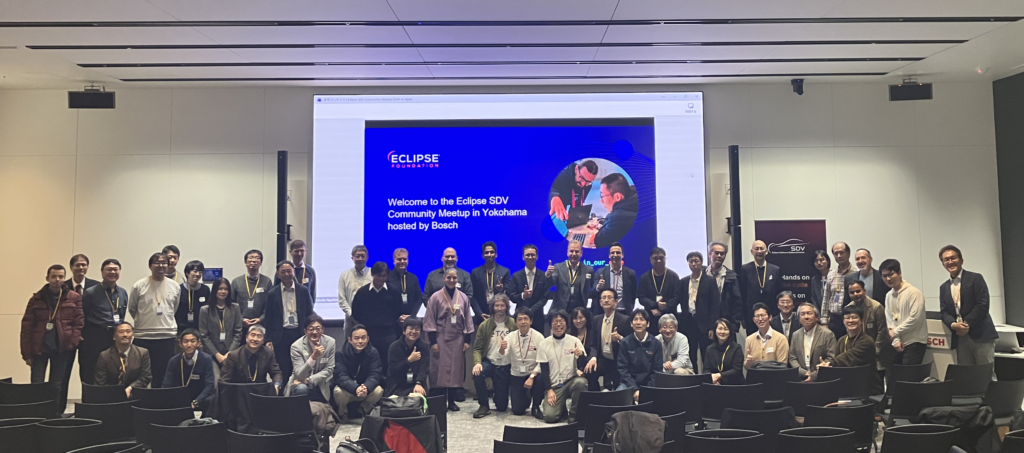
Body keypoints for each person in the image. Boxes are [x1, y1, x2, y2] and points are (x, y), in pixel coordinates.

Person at [21, 264, 83, 413]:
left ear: (64, 278)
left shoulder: (73, 297)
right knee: (37, 384)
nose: (57, 280)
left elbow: (79, 323)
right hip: (39, 348)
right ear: (47, 278)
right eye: (54, 276)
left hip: (62, 348)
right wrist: (26, 353)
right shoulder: (37, 298)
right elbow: (27, 327)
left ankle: (53, 415)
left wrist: (72, 343)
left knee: (56, 385)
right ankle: (36, 414)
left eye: (61, 276)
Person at [938, 245, 997, 373]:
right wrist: (954, 325)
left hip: (981, 335)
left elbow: (983, 305)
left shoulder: (976, 279)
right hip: (960, 338)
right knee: (966, 376)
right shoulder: (943, 287)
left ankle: (990, 394)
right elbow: (944, 312)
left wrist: (966, 324)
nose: (950, 262)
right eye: (946, 260)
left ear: (961, 260)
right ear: (943, 264)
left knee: (985, 374)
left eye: (953, 258)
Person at [424, 268, 475, 411]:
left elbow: (468, 319)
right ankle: (440, 401)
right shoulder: (435, 297)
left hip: (458, 338)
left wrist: (467, 340)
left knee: (455, 370)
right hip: (440, 337)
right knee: (440, 370)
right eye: (449, 278)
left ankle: (452, 401)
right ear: (444, 279)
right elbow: (429, 319)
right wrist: (433, 341)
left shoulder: (463, 297)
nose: (452, 280)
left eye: (454, 278)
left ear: (457, 279)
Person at [127, 252, 181, 388]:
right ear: (150, 266)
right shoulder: (139, 285)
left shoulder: (175, 286)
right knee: (141, 373)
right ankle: (140, 404)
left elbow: (174, 308)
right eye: (157, 262)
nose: (161, 265)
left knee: (163, 373)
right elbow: (132, 308)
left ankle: (159, 404)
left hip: (166, 337)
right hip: (143, 337)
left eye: (164, 263)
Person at [79, 258, 128, 385]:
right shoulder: (91, 292)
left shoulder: (122, 292)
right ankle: (90, 402)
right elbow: (83, 315)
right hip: (95, 337)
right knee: (91, 371)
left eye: (115, 269)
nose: (112, 272)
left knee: (113, 371)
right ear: (102, 272)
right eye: (109, 269)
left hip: (114, 338)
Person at [265, 260, 316, 382]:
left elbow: (309, 312)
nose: (287, 274)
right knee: (283, 367)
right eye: (283, 272)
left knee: (301, 365)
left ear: (294, 272)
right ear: (278, 274)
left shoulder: (303, 290)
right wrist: (268, 339)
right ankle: (282, 396)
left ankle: (298, 394)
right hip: (280, 336)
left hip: (299, 334)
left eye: (289, 271)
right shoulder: (272, 293)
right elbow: (268, 317)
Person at [352, 261, 403, 377]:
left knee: (388, 364)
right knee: (369, 364)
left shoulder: (394, 291)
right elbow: (355, 314)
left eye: (385, 276)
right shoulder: (362, 292)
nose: (382, 279)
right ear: (372, 274)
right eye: (379, 275)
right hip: (370, 335)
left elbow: (398, 311)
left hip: (388, 335)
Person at [818, 305, 883, 394]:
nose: (851, 321)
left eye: (854, 317)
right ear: (843, 321)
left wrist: (830, 363)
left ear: (861, 321)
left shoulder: (867, 341)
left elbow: (849, 356)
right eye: (847, 318)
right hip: (847, 386)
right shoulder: (841, 340)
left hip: (867, 388)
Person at [538, 309, 588, 423]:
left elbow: (583, 365)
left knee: (581, 382)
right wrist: (549, 390)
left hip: (571, 381)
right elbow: (544, 370)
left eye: (561, 321)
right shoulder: (544, 344)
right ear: (550, 324)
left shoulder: (574, 341)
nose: (558, 324)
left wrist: (580, 356)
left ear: (566, 323)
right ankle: (562, 410)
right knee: (550, 417)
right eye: (555, 322)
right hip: (555, 385)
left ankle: (574, 414)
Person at [472, 294, 516, 418]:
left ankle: (498, 394)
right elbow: (477, 348)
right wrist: (477, 363)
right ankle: (484, 405)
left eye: (502, 305)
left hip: (506, 365)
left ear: (506, 307)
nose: (499, 308)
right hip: (490, 362)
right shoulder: (484, 325)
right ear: (492, 307)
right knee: (478, 373)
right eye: (497, 305)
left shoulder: (513, 324)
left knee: (502, 407)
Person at [63, 253, 97, 407]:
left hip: (89, 338)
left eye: (84, 265)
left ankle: (87, 407)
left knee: (88, 375)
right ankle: (59, 408)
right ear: (71, 267)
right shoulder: (62, 286)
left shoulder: (96, 286)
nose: (81, 268)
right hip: (67, 337)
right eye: (78, 265)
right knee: (63, 374)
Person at [881, 259, 927, 366]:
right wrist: (895, 339)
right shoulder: (888, 295)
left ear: (899, 273)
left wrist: (896, 331)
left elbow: (916, 318)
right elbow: (889, 319)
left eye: (891, 274)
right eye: (884, 276)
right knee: (894, 378)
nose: (888, 278)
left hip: (914, 342)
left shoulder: (914, 293)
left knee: (909, 378)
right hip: (897, 342)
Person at [680, 251, 722, 367]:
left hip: (704, 324)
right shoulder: (683, 282)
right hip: (689, 322)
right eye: (691, 261)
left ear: (702, 262)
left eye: (696, 261)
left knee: (706, 353)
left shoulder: (710, 281)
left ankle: (707, 380)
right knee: (690, 353)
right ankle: (693, 379)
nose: (694, 264)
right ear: (688, 263)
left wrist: (712, 327)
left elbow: (715, 305)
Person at [846, 280, 892, 383]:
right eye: (852, 292)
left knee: (876, 387)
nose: (855, 294)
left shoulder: (876, 307)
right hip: (858, 356)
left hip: (877, 356)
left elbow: (882, 332)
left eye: (858, 291)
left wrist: (874, 352)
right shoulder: (848, 309)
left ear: (864, 291)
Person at [333, 324, 383, 420]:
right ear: (350, 340)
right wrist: (355, 388)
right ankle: (342, 413)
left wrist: (366, 387)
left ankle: (364, 409)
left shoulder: (373, 352)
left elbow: (375, 374)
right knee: (338, 392)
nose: (360, 341)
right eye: (356, 338)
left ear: (368, 339)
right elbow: (340, 376)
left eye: (363, 338)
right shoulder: (341, 353)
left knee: (378, 391)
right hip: (348, 389)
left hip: (365, 389)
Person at [583, 290, 629, 391]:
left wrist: (620, 338)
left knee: (618, 388)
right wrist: (593, 358)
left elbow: (630, 344)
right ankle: (596, 399)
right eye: (603, 298)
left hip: (618, 361)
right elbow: (593, 344)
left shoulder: (624, 320)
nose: (606, 300)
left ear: (616, 302)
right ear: (600, 302)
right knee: (589, 370)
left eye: (609, 297)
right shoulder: (596, 319)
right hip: (603, 359)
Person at [219, 325, 283, 394]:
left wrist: (277, 385)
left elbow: (276, 372)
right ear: (246, 338)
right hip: (239, 393)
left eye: (259, 336)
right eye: (253, 335)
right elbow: (224, 381)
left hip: (260, 392)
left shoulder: (268, 353)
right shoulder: (234, 355)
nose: (255, 339)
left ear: (263, 341)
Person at [162, 328, 215, 410]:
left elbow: (209, 385)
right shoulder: (174, 361)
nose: (189, 345)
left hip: (199, 399)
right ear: (180, 343)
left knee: (211, 399)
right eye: (185, 341)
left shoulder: (206, 359)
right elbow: (166, 385)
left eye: (193, 341)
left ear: (198, 343)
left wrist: (197, 401)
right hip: (178, 400)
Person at [199, 278, 243, 374]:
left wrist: (229, 354)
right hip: (211, 354)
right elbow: (204, 335)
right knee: (215, 381)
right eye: (220, 289)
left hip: (231, 353)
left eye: (226, 289)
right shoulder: (205, 310)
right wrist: (217, 355)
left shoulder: (235, 308)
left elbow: (238, 333)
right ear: (215, 290)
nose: (223, 292)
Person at [94, 322, 152, 397]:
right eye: (121, 332)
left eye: (128, 331)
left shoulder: (143, 353)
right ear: (114, 336)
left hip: (136, 395)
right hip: (110, 396)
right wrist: (117, 394)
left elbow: (146, 377)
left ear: (132, 335)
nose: (125, 335)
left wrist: (130, 389)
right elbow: (100, 382)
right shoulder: (104, 356)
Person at [616, 309, 662, 401]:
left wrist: (646, 390)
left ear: (648, 324)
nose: (638, 322)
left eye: (642, 319)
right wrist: (635, 389)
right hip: (628, 384)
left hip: (649, 384)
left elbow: (657, 370)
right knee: (618, 398)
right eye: (635, 319)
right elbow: (623, 369)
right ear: (631, 324)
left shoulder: (656, 343)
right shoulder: (625, 342)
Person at [287, 315, 335, 403]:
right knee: (302, 388)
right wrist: (313, 357)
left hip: (320, 383)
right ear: (305, 331)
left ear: (323, 330)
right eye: (311, 329)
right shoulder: (296, 346)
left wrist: (310, 380)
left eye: (318, 328)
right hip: (299, 383)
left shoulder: (330, 342)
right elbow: (300, 375)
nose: (315, 332)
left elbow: (329, 369)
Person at [508, 307, 545, 419]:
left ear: (531, 321)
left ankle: (536, 406)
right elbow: (503, 354)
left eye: (526, 319)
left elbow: (542, 361)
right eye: (520, 319)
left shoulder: (539, 337)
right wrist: (501, 349)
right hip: (517, 374)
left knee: (541, 377)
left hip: (533, 373)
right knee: (518, 410)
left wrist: (532, 376)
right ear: (516, 322)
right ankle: (526, 397)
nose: (523, 322)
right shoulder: (510, 336)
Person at [739, 240, 781, 333]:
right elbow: (742, 293)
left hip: (771, 314)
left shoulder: (775, 269)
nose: (759, 251)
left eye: (762, 249)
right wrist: (743, 316)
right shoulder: (745, 269)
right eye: (756, 249)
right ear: (752, 252)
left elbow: (779, 293)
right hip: (751, 315)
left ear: (766, 251)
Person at [638, 247, 681, 335]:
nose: (658, 261)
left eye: (661, 258)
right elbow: (642, 298)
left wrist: (663, 309)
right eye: (655, 258)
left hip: (670, 318)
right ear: (650, 260)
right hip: (650, 317)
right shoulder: (644, 278)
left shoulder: (673, 276)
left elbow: (677, 297)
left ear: (665, 259)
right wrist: (655, 305)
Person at [508, 244, 551, 332]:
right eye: (527, 255)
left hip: (538, 317)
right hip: (520, 317)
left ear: (537, 257)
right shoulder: (516, 276)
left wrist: (531, 310)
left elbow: (545, 297)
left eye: (532, 255)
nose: (530, 257)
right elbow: (511, 296)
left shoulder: (543, 275)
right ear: (523, 257)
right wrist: (523, 295)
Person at [788, 303, 836, 381]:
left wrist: (813, 375)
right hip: (801, 378)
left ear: (816, 317)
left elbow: (831, 358)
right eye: (802, 314)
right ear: (799, 318)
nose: (806, 317)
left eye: (809, 313)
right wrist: (804, 373)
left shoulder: (828, 334)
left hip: (821, 378)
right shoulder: (795, 335)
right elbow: (792, 357)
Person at [589, 173, 639, 248]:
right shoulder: (633, 198)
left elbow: (598, 241)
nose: (601, 201)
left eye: (602, 196)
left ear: (618, 197)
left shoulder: (618, 217)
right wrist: (601, 222)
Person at [822, 242, 859, 339]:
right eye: (836, 253)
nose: (839, 256)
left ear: (848, 253)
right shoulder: (831, 274)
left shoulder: (857, 273)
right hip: (835, 319)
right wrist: (824, 321)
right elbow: (826, 298)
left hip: (852, 318)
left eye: (841, 253)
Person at [386, 317, 430, 398]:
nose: (414, 332)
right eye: (411, 329)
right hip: (397, 384)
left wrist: (419, 383)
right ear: (404, 331)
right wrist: (409, 360)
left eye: (417, 329)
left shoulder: (425, 346)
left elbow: (424, 367)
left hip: (416, 383)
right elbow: (393, 370)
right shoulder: (394, 347)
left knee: (418, 398)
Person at [231, 249, 272, 334]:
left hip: (260, 326)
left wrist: (260, 319)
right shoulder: (236, 282)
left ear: (260, 263)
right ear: (245, 262)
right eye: (251, 258)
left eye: (257, 258)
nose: (254, 260)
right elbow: (231, 304)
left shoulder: (267, 281)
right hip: (240, 326)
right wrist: (241, 319)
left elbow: (269, 305)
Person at [546, 240, 593, 313]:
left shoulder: (588, 270)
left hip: (580, 311)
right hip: (560, 310)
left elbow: (594, 288)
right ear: (567, 252)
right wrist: (548, 275)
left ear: (581, 253)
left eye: (577, 251)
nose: (574, 254)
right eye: (571, 251)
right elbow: (550, 283)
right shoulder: (558, 267)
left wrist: (599, 287)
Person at [470, 241, 511, 325]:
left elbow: (509, 294)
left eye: (492, 252)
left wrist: (501, 290)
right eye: (486, 252)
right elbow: (473, 296)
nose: (489, 254)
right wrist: (479, 313)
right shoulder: (475, 273)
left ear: (496, 254)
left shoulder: (504, 272)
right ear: (482, 255)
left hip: (501, 314)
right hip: (482, 316)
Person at [590, 242, 637, 314]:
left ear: (622, 255)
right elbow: (593, 293)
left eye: (618, 253)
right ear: (609, 255)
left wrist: (630, 308)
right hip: (605, 312)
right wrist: (599, 287)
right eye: (612, 253)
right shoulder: (600, 272)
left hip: (623, 312)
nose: (615, 255)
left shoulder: (630, 274)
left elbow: (633, 295)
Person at [707, 242, 744, 332]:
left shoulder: (732, 277)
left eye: (722, 254)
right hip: (706, 323)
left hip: (726, 322)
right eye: (716, 253)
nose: (719, 256)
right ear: (709, 254)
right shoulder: (702, 274)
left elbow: (737, 302)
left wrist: (734, 324)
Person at [423, 247, 474, 311]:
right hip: (437, 315)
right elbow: (426, 297)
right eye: (447, 256)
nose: (450, 259)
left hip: (459, 314)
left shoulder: (465, 275)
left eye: (452, 257)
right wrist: (435, 310)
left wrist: (456, 309)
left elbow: (469, 296)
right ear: (442, 258)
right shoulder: (432, 275)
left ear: (457, 258)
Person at [744, 303, 789, 369]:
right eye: (757, 316)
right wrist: (748, 363)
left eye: (763, 315)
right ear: (754, 320)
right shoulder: (749, 339)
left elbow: (782, 365)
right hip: (755, 377)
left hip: (775, 377)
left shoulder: (781, 338)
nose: (760, 319)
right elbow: (746, 366)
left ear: (770, 317)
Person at [174, 260, 209, 335]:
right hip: (181, 327)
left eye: (200, 272)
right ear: (187, 273)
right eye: (195, 271)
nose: (198, 274)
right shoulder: (179, 289)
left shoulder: (205, 289)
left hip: (199, 327)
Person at [338, 245, 371, 323]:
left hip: (369, 318)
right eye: (357, 256)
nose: (360, 259)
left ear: (367, 257)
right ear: (352, 258)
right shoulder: (344, 275)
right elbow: (342, 299)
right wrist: (352, 314)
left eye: (363, 256)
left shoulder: (372, 274)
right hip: (350, 319)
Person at [705, 319, 743, 385]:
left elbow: (737, 370)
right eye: (720, 328)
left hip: (734, 384)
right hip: (715, 384)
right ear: (715, 331)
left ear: (730, 332)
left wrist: (719, 376)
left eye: (726, 329)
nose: (722, 332)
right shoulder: (709, 349)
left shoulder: (736, 348)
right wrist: (714, 381)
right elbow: (706, 370)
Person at [389, 248, 423, 322]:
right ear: (393, 261)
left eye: (404, 259)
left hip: (410, 320)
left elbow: (419, 298)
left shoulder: (413, 278)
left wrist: (412, 316)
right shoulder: (387, 278)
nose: (402, 261)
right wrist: (397, 317)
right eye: (399, 259)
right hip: (392, 321)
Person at [569, 307, 594, 374]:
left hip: (587, 363)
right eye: (575, 318)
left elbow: (593, 350)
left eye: (581, 318)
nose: (578, 321)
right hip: (571, 366)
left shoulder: (592, 333)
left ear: (586, 318)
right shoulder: (569, 334)